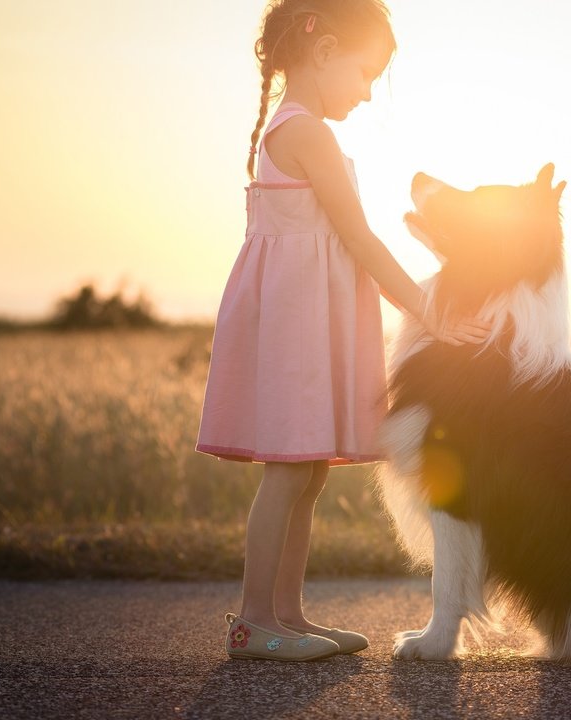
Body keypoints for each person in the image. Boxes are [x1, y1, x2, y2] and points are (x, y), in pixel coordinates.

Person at [196, 0, 491, 662]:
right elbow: (358, 237)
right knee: (287, 472)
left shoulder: (299, 128)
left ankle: (287, 617)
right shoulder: (307, 133)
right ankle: (253, 620)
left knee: (306, 474)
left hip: (305, 320)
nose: (364, 94)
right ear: (324, 50)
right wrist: (425, 307)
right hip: (297, 330)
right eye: (364, 74)